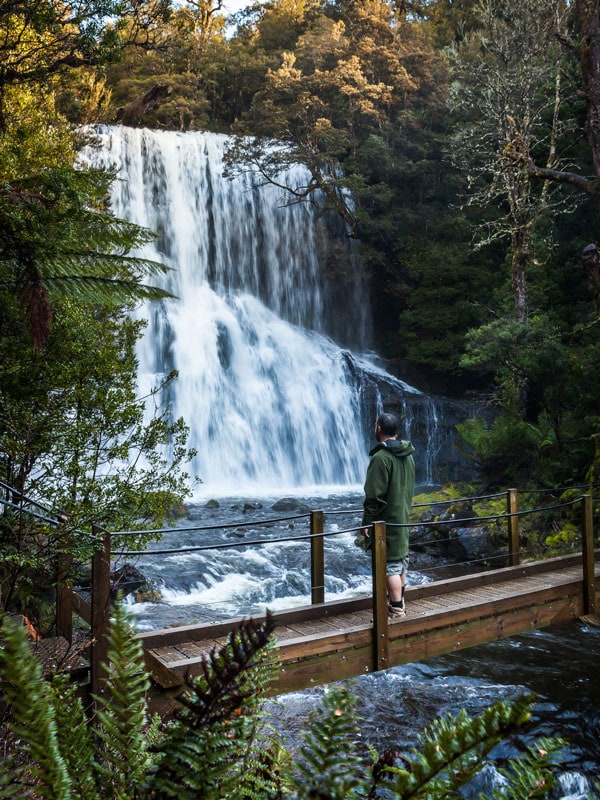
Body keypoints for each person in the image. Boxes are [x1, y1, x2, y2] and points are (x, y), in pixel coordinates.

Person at [359, 412, 415, 619]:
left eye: (375, 425)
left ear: (379, 428)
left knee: (389, 565)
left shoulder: (381, 458)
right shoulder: (407, 454)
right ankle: (398, 603)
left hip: (387, 519)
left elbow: (374, 495)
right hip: (403, 515)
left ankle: (397, 609)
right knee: (401, 560)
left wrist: (366, 522)